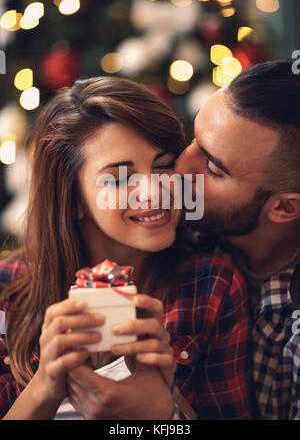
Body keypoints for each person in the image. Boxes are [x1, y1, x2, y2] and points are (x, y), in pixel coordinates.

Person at [0, 76, 251, 420]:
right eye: (119, 178)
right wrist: (43, 386)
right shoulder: (5, 290)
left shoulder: (211, 286)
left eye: (163, 167)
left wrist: (165, 406)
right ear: (73, 199)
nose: (155, 191)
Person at [174, 60, 300, 420]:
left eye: (213, 168)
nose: (180, 167)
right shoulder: (171, 237)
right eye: (193, 137)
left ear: (285, 207)